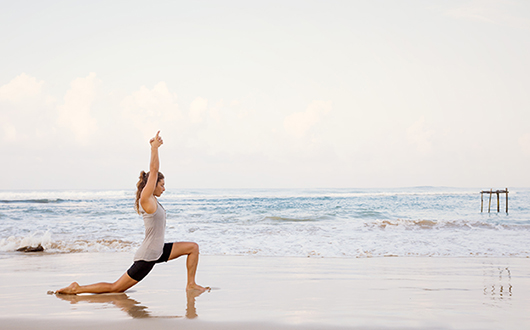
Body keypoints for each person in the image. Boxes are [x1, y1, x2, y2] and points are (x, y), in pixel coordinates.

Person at [57, 131, 207, 294]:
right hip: (148, 256)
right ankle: (77, 288)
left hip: (159, 251)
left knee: (193, 247)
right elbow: (154, 170)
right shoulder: (146, 199)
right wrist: (154, 148)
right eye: (161, 185)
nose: (164, 188)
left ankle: (191, 284)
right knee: (116, 288)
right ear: (153, 184)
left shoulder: (155, 200)